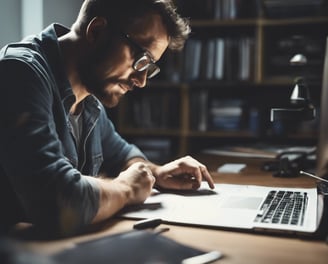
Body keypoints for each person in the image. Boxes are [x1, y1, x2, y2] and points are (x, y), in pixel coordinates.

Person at [0, 0, 214, 237]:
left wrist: (157, 173)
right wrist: (127, 188)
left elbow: (123, 155)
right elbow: (56, 203)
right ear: (97, 31)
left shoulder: (88, 96)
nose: (141, 81)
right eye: (141, 60)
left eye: (150, 68)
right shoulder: (18, 73)